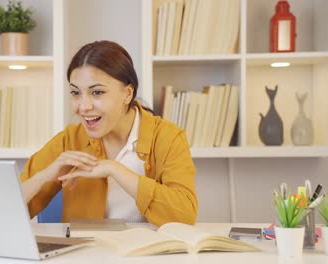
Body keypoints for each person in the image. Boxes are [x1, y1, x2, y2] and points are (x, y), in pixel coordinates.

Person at [20, 40, 197, 226]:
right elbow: (5, 210)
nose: (83, 107)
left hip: (146, 253)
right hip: (86, 253)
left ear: (127, 94)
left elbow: (184, 216)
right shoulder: (69, 140)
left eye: (97, 92)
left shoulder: (167, 137)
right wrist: (43, 177)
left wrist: (115, 169)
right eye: (75, 93)